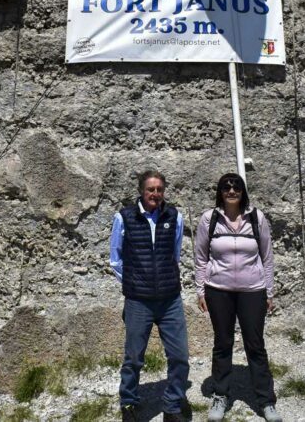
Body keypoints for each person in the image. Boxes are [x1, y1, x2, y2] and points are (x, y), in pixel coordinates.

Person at [194, 173, 281, 422]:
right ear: (220, 192)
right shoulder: (209, 219)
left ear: (243, 192)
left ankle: (266, 401)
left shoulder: (256, 218)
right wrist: (200, 290)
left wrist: (269, 291)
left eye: (236, 188)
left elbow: (267, 257)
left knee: (255, 345)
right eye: (226, 187)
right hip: (217, 290)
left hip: (252, 290)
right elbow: (201, 258)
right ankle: (221, 395)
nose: (231, 191)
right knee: (223, 343)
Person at [109, 169, 189, 422]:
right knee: (133, 357)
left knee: (179, 355)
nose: (155, 194)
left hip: (170, 300)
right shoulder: (124, 218)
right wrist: (135, 283)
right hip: (138, 301)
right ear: (141, 191)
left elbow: (175, 254)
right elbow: (115, 259)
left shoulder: (174, 217)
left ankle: (173, 405)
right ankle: (129, 403)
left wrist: (161, 279)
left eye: (159, 189)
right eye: (150, 189)